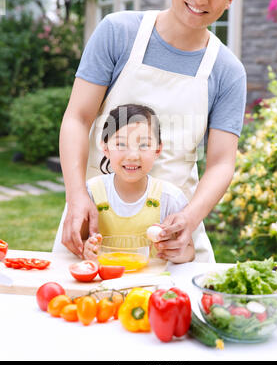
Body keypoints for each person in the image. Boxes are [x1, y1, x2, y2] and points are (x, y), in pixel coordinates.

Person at [57, 0, 250, 261]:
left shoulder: (228, 71)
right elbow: (77, 117)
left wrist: (188, 219)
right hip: (94, 227)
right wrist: (76, 198)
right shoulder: (118, 33)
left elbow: (221, 163)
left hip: (172, 236)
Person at [79, 103, 198, 263]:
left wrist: (176, 253)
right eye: (121, 144)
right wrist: (86, 248)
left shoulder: (170, 198)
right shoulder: (91, 193)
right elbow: (79, 242)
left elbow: (189, 250)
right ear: (105, 148)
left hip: (151, 285)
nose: (133, 155)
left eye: (144, 145)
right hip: (103, 283)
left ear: (157, 150)